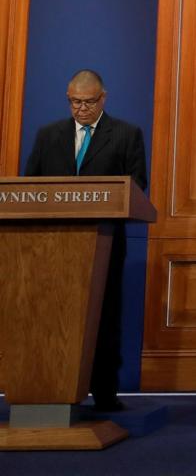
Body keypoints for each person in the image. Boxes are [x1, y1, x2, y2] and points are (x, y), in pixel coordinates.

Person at [25, 69, 148, 411]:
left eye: (88, 102)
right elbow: (30, 185)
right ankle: (51, 386)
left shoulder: (125, 135)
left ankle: (105, 392)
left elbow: (137, 186)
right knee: (52, 316)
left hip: (103, 243)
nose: (80, 109)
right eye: (74, 102)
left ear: (103, 99)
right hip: (52, 246)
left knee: (104, 316)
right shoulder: (48, 136)